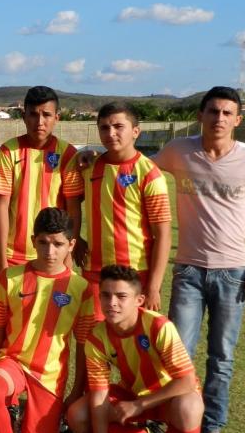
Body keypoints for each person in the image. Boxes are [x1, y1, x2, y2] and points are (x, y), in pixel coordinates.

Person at [154, 86, 245, 433]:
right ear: (200, 115)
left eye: (227, 113)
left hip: (233, 271)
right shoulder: (178, 150)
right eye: (213, 111)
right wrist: (96, 156)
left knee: (222, 357)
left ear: (237, 120)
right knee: (178, 353)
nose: (219, 118)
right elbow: (138, 166)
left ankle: (212, 427)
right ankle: (174, 421)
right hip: (188, 269)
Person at [65, 265, 204, 433]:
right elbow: (98, 397)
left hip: (168, 398)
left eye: (121, 296)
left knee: (189, 406)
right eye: (106, 295)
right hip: (133, 395)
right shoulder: (97, 336)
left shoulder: (158, 326)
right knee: (77, 415)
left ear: (139, 300)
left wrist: (140, 405)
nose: (112, 303)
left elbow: (187, 380)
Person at [0, 207, 95, 433]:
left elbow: (83, 344)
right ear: (33, 240)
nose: (50, 251)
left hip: (49, 376)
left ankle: (22, 425)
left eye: (58, 244)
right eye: (43, 242)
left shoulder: (82, 288)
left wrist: (76, 390)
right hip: (13, 363)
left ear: (71, 245)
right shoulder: (10, 277)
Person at [68, 101, 171, 316]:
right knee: (93, 332)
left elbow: (163, 235)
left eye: (118, 127)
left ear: (135, 132)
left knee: (130, 334)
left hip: (135, 273)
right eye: (104, 128)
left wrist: (153, 287)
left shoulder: (149, 173)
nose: (111, 133)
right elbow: (72, 204)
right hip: (95, 272)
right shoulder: (89, 167)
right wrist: (76, 237)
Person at [0, 86, 81, 271]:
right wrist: (1, 259)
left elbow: (73, 208)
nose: (39, 122)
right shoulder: (9, 150)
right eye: (33, 114)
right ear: (24, 117)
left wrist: (68, 255)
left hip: (54, 254)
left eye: (46, 115)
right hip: (14, 254)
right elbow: (2, 205)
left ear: (57, 118)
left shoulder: (67, 153)